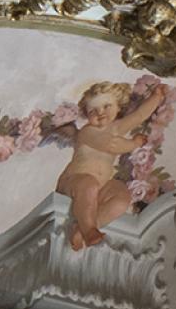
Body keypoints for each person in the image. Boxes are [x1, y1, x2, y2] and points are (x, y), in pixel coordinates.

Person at [54, 78, 169, 248]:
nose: (100, 113)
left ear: (118, 107)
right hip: (74, 181)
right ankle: (89, 229)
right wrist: (135, 144)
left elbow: (138, 116)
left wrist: (156, 97)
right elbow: (111, 145)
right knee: (89, 184)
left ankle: (85, 227)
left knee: (122, 197)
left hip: (101, 186)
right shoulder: (87, 132)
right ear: (86, 114)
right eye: (93, 110)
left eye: (106, 106)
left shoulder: (116, 127)